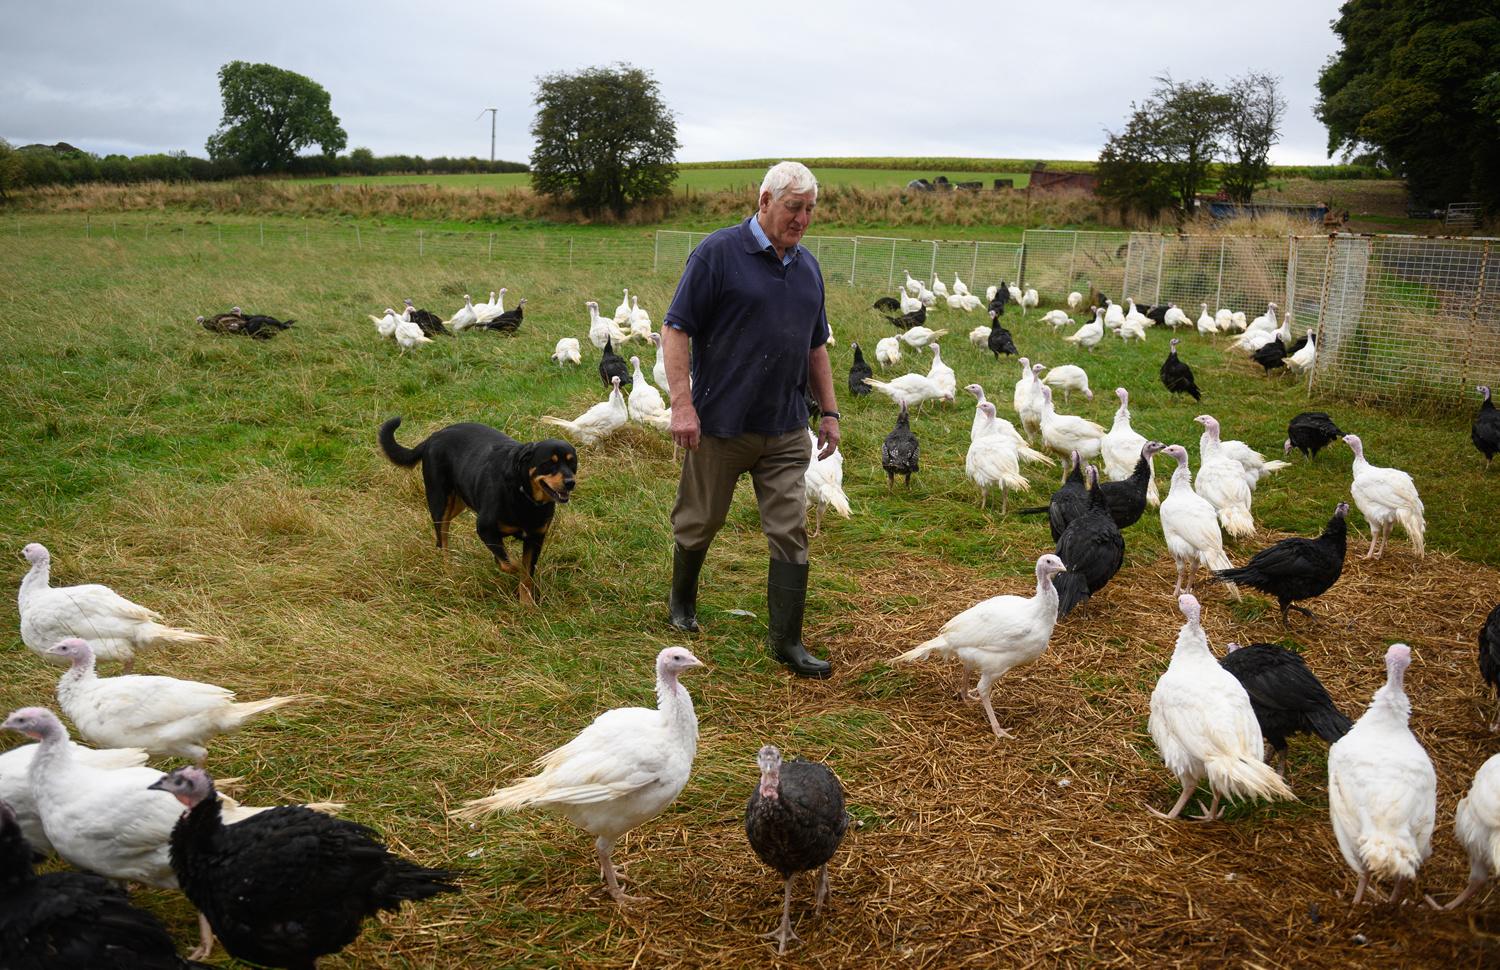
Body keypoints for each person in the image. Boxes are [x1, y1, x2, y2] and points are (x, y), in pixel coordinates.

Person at [659, 161, 839, 679]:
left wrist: (828, 413)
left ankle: (787, 641)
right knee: (701, 519)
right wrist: (682, 403)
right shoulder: (718, 254)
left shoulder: (808, 269)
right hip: (720, 423)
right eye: (792, 208)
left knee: (790, 529)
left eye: (809, 210)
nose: (802, 219)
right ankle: (683, 603)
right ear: (764, 201)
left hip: (784, 427)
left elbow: (815, 347)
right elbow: (676, 330)